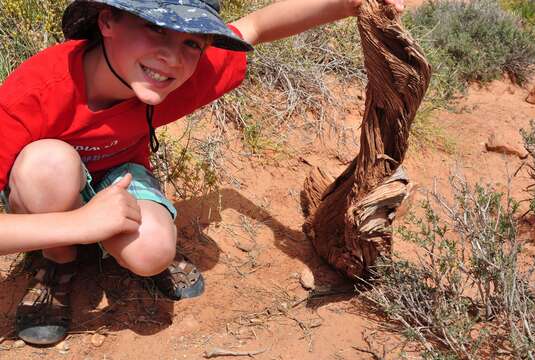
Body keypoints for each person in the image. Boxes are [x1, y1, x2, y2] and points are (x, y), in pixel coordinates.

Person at [0, 0, 404, 345]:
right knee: (47, 163)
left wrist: (352, 1)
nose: (173, 57)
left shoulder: (174, 75)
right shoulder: (34, 92)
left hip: (119, 175)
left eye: (191, 40)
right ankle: (58, 261)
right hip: (51, 186)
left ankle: (104, 238)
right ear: (107, 21)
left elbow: (257, 26)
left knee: (152, 252)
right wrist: (80, 226)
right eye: (156, 27)